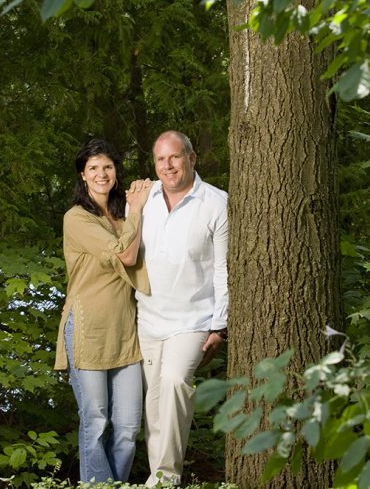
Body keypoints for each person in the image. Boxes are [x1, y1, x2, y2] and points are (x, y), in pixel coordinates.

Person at [54, 138, 153, 484]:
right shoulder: (77, 218)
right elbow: (127, 256)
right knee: (95, 422)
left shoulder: (124, 215)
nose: (101, 174)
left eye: (107, 167)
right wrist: (137, 209)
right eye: (93, 168)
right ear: (83, 175)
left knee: (128, 427)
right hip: (87, 329)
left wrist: (138, 204)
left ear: (115, 171)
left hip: (126, 334)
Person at [136, 130, 229, 487]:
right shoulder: (144, 199)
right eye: (161, 159)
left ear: (191, 158)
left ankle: (166, 478)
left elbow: (223, 269)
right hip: (148, 319)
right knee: (155, 403)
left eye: (175, 157)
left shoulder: (216, 203)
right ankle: (157, 476)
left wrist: (220, 327)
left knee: (175, 382)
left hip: (193, 320)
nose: (168, 165)